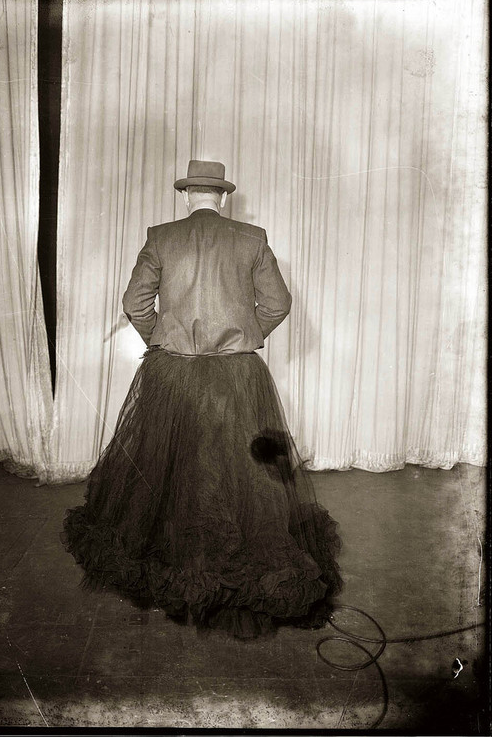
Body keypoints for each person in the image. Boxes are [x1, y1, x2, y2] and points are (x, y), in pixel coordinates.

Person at [62, 160, 342, 640]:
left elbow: (133, 304)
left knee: (171, 464)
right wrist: (245, 334)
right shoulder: (252, 238)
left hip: (173, 370)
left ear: (186, 195)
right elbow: (278, 304)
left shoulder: (161, 237)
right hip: (235, 373)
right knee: (236, 467)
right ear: (223, 197)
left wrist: (163, 338)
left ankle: (179, 551)